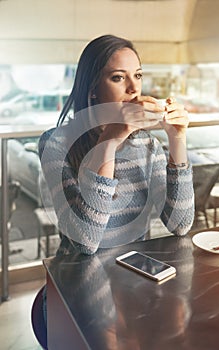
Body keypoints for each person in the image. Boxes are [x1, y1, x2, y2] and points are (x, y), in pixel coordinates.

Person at [39, 34, 194, 257]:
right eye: (118, 78)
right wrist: (109, 141)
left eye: (138, 75)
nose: (133, 88)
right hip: (74, 277)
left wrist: (177, 139)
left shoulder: (147, 145)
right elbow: (85, 242)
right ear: (92, 88)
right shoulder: (56, 143)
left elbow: (180, 224)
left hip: (134, 272)